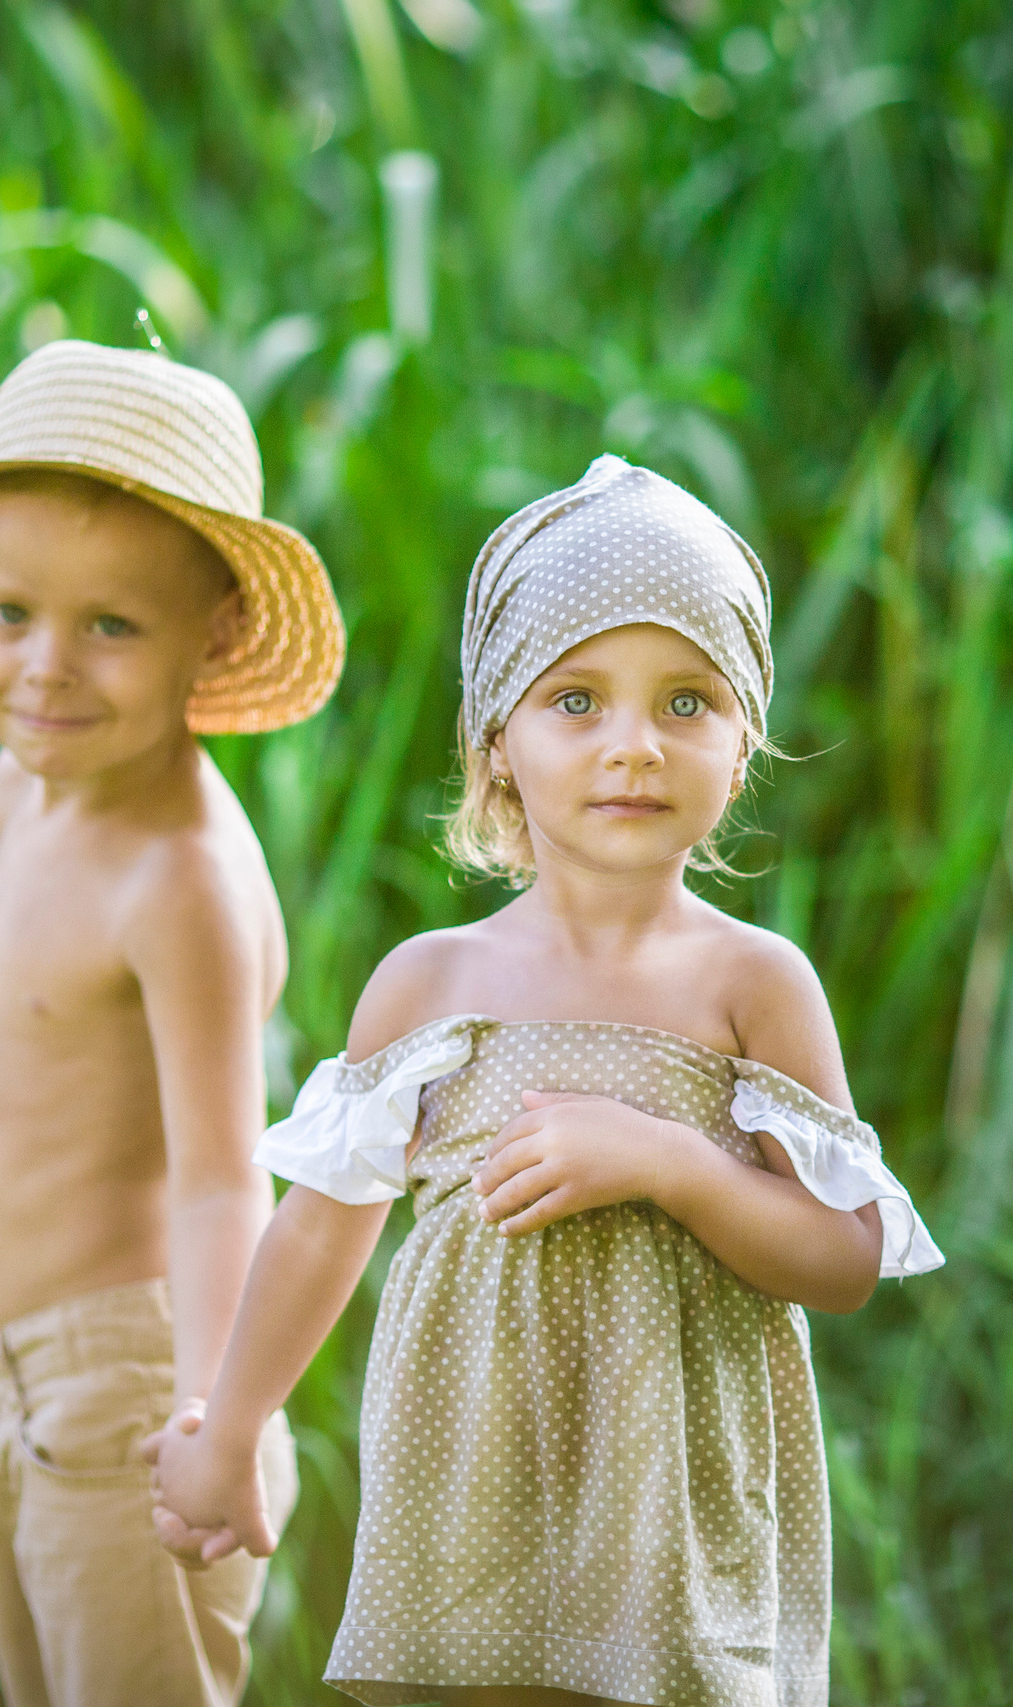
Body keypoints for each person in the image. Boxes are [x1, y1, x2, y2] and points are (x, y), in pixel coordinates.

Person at [143, 455, 944, 1707]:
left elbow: (841, 1261)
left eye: (687, 702)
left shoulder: (754, 985)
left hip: (668, 1523)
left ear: (744, 745)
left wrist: (672, 1165)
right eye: (576, 701)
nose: (633, 745)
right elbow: (319, 1233)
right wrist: (233, 1428)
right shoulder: (431, 987)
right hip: (473, 1514)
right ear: (496, 741)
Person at [0, 338, 345, 1706]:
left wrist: (217, 1419)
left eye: (111, 625)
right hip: (6, 1394)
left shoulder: (178, 880)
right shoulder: (27, 792)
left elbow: (222, 1170)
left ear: (219, 633)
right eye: (9, 613)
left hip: (132, 1399)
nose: (46, 667)